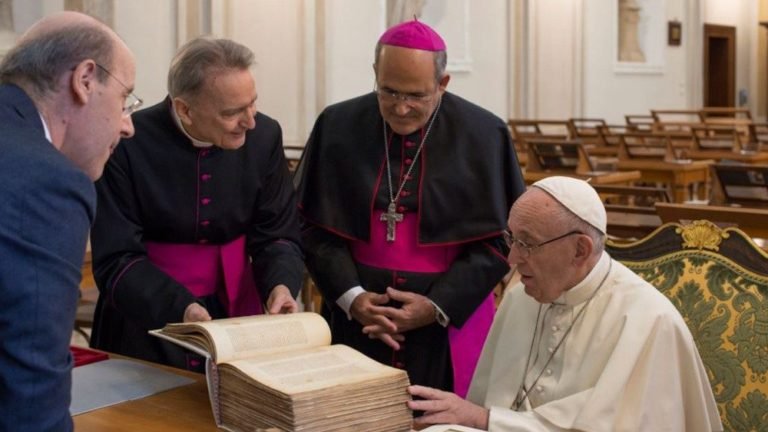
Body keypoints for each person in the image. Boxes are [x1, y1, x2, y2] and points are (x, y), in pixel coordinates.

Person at [294, 19, 525, 397]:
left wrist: (436, 305)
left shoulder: (484, 134)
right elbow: (312, 226)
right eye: (388, 91)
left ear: (443, 84)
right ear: (375, 74)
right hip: (357, 321)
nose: (401, 108)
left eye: (416, 96)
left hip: (448, 322)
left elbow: (501, 239)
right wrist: (352, 297)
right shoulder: (337, 125)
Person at [408, 176, 723, 431]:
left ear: (580, 250)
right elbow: (485, 410)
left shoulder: (648, 320)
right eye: (511, 239)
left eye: (527, 244)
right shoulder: (521, 298)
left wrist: (485, 419)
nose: (513, 259)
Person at [90, 37, 304, 371]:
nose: (250, 121)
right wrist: (180, 308)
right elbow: (116, 258)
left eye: (253, 103)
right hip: (145, 316)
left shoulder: (265, 135)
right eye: (232, 112)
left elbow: (277, 232)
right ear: (185, 110)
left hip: (237, 313)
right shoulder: (127, 142)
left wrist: (281, 285)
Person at [0, 11, 137, 432]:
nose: (128, 125)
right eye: (125, 100)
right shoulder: (47, 181)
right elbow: (30, 398)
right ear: (85, 80)